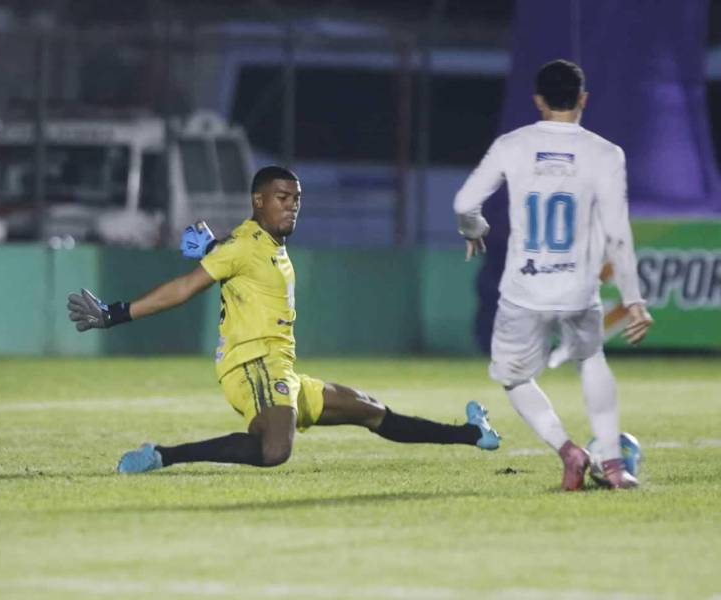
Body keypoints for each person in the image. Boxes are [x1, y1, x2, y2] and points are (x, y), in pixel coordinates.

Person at [68, 165, 500, 473]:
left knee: (368, 410)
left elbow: (235, 252)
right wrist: (113, 314)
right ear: (258, 201)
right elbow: (183, 289)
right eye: (282, 198)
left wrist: (212, 243)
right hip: (252, 364)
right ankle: (162, 455)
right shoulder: (243, 244)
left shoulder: (261, 242)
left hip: (282, 368)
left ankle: (469, 434)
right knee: (275, 450)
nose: (292, 206)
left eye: (296, 199)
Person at [452, 59, 653, 491]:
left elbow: (465, 203)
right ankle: (615, 466)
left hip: (525, 288)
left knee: (513, 376)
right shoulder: (606, 153)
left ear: (538, 100)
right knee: (591, 360)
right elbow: (618, 234)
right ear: (583, 99)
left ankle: (569, 451)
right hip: (579, 289)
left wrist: (475, 230)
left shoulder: (513, 145)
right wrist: (633, 299)